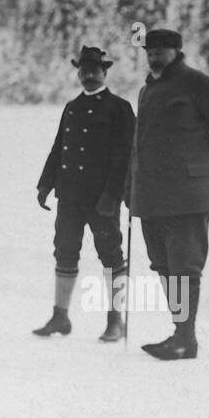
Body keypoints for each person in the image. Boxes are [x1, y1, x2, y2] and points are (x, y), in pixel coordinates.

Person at [128, 29, 209, 360]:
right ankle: (180, 333)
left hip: (187, 196)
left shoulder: (198, 84)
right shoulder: (147, 90)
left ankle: (185, 338)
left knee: (184, 266)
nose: (155, 55)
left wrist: (202, 165)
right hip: (152, 195)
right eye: (150, 50)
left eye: (162, 49)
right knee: (163, 264)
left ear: (178, 51)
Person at [34, 46, 135, 341]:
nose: (89, 75)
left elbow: (125, 157)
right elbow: (58, 147)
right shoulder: (72, 107)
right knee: (65, 250)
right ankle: (60, 317)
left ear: (105, 72)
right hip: (70, 197)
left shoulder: (120, 108)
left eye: (95, 70)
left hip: (102, 198)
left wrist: (113, 196)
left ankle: (116, 321)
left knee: (111, 255)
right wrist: (45, 184)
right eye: (84, 71)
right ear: (78, 73)